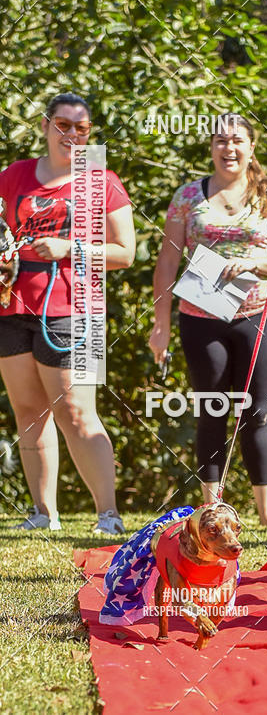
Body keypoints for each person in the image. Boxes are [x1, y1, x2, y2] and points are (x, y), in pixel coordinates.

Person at [150, 113, 267, 529]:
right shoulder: (187, 196)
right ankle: (213, 507)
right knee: (211, 408)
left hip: (257, 314)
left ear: (252, 147)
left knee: (256, 411)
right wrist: (159, 324)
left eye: (237, 140)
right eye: (220, 141)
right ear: (211, 148)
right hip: (200, 317)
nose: (228, 149)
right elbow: (166, 263)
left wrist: (255, 262)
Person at [0, 93, 135, 534]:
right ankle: (44, 513)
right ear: (45, 126)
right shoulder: (15, 175)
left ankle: (108, 516)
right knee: (28, 411)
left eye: (81, 128)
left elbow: (125, 253)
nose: (72, 135)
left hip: (77, 309)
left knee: (76, 412)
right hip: (13, 302)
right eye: (63, 125)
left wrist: (69, 248)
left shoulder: (101, 178)